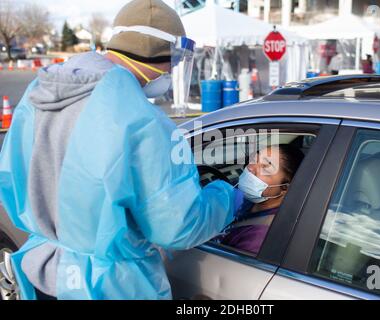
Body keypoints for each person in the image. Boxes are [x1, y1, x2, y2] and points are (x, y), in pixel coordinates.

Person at [0, 0, 236, 300]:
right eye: (173, 59)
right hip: (111, 286)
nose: (173, 68)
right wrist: (229, 197)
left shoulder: (41, 90)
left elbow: (10, 178)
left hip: (44, 271)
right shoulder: (142, 121)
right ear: (161, 53)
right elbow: (178, 226)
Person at [220, 145, 304, 254]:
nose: (251, 168)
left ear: (285, 188)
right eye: (254, 159)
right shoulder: (248, 199)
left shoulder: (258, 238)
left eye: (265, 167)